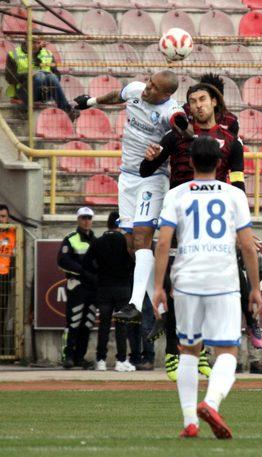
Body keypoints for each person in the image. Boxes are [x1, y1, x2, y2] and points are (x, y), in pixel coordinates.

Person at [140, 75, 262, 381]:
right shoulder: (176, 135)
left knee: (238, 268)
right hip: (181, 212)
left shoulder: (230, 140)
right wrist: (150, 158)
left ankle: (248, 321)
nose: (197, 106)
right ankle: (173, 351)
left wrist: (240, 223)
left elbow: (238, 183)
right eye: (192, 101)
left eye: (202, 100)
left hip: (216, 214)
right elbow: (146, 170)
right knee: (175, 284)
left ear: (214, 103)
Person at [152, 136, 262, 438]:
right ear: (219, 163)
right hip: (223, 279)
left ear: (189, 162)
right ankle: (211, 403)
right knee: (227, 349)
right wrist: (254, 287)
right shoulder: (233, 195)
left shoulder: (176, 194)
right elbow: (248, 246)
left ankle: (190, 421)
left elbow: (163, 242)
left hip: (185, 279)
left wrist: (158, 286)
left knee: (188, 349)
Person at [74, 70, 183, 322]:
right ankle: (161, 311)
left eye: (155, 88)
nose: (147, 88)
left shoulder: (170, 111)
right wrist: (90, 102)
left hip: (152, 178)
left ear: (166, 94)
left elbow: (182, 128)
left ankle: (134, 304)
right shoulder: (135, 90)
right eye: (149, 82)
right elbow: (117, 95)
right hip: (127, 177)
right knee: (132, 246)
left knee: (143, 238)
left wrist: (174, 135)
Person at [82, 211, 137, 372]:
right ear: (120, 224)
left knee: (103, 326)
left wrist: (97, 278)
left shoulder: (98, 242)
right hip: (122, 288)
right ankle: (121, 360)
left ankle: (100, 360)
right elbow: (133, 263)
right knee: (121, 325)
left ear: (108, 224)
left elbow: (86, 264)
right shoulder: (125, 242)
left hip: (104, 288)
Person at [58, 207, 98, 370]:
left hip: (93, 288)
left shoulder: (96, 241)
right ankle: (67, 357)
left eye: (89, 218)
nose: (86, 221)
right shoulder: (70, 239)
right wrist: (83, 272)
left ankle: (80, 357)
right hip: (77, 286)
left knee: (87, 323)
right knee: (73, 322)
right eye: (83, 218)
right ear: (78, 219)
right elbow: (62, 261)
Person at [5, 40, 77, 120]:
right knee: (40, 76)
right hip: (24, 92)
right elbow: (9, 78)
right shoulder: (14, 54)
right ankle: (24, 108)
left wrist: (48, 77)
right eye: (33, 42)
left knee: (52, 77)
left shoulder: (48, 54)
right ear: (26, 40)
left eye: (38, 43)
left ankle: (67, 110)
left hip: (45, 93)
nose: (35, 45)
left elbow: (57, 75)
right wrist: (28, 75)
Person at [0, 204, 16, 356]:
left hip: (4, 278)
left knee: (2, 315)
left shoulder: (12, 234)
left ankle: (2, 351)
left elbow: (16, 256)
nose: (1, 219)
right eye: (0, 216)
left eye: (4, 216)